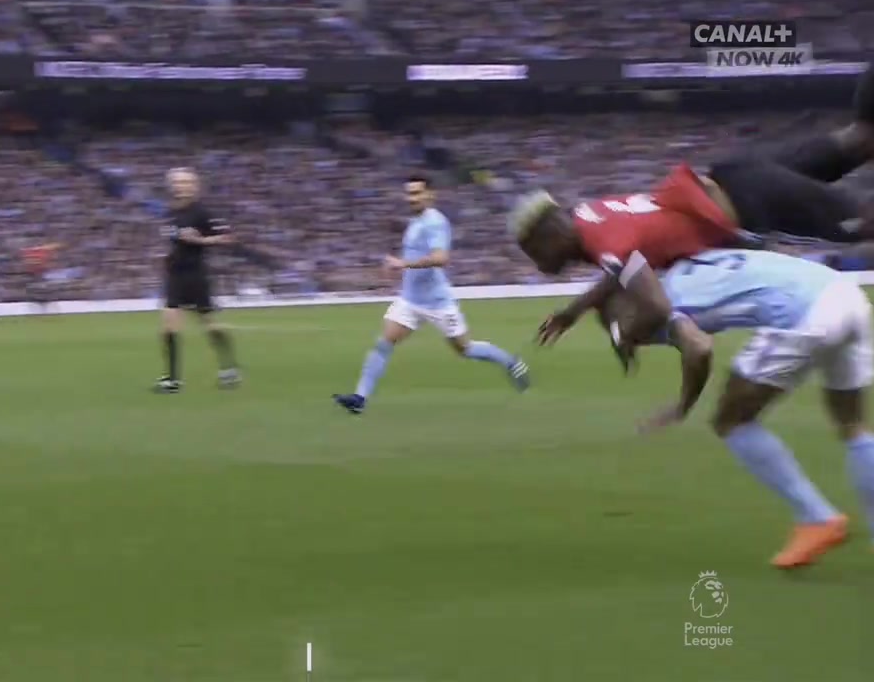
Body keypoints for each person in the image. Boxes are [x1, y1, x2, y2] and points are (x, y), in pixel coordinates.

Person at [513, 64, 874, 345]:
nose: (541, 266)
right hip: (737, 173)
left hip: (753, 201)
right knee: (861, 138)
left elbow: (654, 305)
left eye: (536, 253)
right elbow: (619, 268)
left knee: (862, 222)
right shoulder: (588, 214)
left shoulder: (603, 243)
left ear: (552, 235)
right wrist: (574, 311)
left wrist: (625, 335)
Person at [600, 248, 873, 569]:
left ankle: (817, 517)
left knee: (732, 421)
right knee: (852, 425)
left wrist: (683, 405)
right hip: (844, 294)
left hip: (803, 316)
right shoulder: (685, 267)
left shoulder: (661, 304)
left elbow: (699, 348)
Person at [333, 175, 529, 415]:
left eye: (416, 193)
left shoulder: (435, 222)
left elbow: (441, 258)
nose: (411, 198)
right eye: (409, 193)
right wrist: (398, 270)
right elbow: (415, 257)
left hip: (438, 303)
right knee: (384, 343)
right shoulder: (415, 221)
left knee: (465, 349)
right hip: (410, 300)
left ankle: (511, 362)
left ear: (430, 194)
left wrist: (403, 264)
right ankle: (360, 398)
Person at [156, 167, 240, 393]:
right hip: (175, 275)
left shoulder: (203, 212)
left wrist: (201, 241)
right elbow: (174, 240)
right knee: (168, 326)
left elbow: (228, 238)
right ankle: (172, 380)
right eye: (177, 182)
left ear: (194, 186)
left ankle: (229, 368)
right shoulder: (170, 212)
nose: (180, 186)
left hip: (196, 275)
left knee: (210, 324)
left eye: (185, 182)